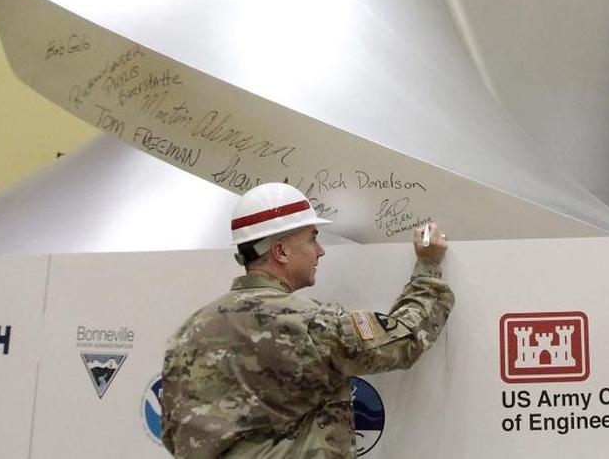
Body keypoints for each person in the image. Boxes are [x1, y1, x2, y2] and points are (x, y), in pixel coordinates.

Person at [161, 182, 453, 457]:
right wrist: (428, 266)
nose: (320, 250)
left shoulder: (187, 333)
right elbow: (405, 338)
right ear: (281, 251)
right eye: (312, 238)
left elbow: (174, 433)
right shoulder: (310, 324)